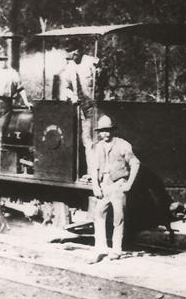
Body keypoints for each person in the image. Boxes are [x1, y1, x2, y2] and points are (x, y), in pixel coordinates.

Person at [90, 115, 140, 262]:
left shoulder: (123, 145)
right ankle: (101, 248)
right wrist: (95, 186)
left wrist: (129, 183)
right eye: (102, 131)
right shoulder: (98, 146)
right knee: (98, 215)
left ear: (112, 131)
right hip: (104, 185)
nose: (104, 134)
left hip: (118, 185)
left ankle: (116, 250)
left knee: (118, 219)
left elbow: (135, 163)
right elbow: (94, 167)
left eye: (107, 131)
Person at [0, 50, 32, 145]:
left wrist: (26, 101)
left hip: (6, 103)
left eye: (4, 59)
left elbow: (20, 88)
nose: (3, 62)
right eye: (0, 60)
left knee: (2, 128)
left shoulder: (12, 73)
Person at [59, 41, 99, 151]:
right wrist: (72, 96)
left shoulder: (91, 62)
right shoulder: (69, 67)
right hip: (82, 109)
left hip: (96, 106)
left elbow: (102, 80)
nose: (69, 54)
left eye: (71, 51)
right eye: (68, 51)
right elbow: (65, 87)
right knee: (87, 139)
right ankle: (91, 167)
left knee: (98, 138)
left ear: (78, 51)